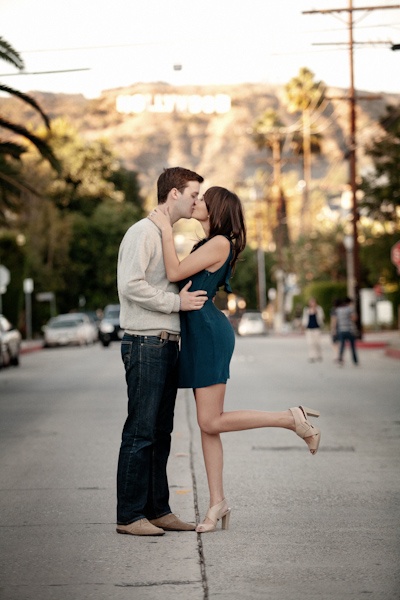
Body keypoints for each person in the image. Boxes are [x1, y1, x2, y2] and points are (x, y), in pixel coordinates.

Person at [148, 186, 321, 534]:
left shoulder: (220, 242)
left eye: (202, 200)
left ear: (217, 209)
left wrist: (166, 229)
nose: (196, 203)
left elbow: (173, 270)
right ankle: (217, 504)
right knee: (207, 424)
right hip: (200, 334)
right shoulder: (212, 242)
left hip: (209, 335)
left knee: (211, 422)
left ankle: (290, 418)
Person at [116, 166, 208, 537]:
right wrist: (176, 303)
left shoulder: (163, 234)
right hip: (145, 342)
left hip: (165, 344)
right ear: (173, 194)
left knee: (161, 432)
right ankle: (129, 515)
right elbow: (130, 285)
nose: (196, 201)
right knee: (141, 432)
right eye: (193, 195)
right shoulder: (143, 232)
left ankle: (158, 510)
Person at [333, 296, 359, 366]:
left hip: (341, 330)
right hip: (349, 330)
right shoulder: (349, 309)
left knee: (342, 346)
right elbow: (354, 318)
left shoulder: (338, 310)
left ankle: (340, 359)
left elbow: (336, 321)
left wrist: (334, 330)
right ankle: (355, 361)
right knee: (352, 346)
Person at [301, 297, 325, 362]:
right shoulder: (306, 310)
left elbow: (322, 318)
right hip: (309, 328)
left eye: (313, 302)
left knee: (317, 343)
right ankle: (311, 356)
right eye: (311, 302)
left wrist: (316, 312)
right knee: (310, 343)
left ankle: (319, 355)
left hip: (317, 328)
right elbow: (304, 319)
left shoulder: (319, 309)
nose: (312, 303)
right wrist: (303, 327)